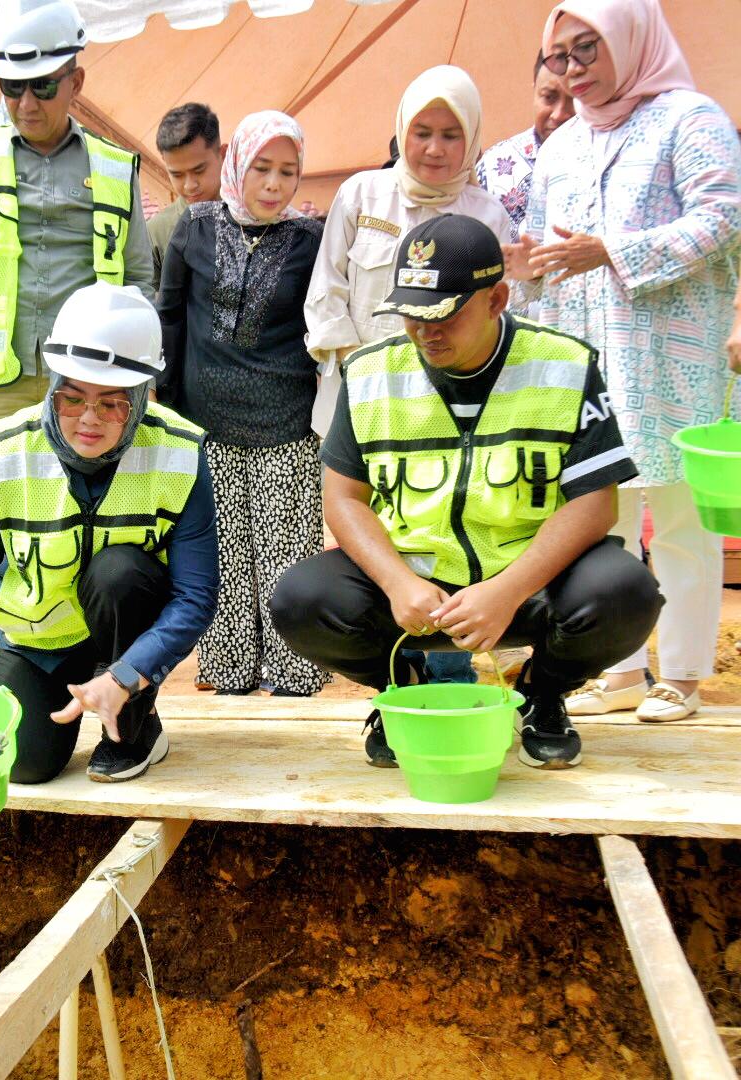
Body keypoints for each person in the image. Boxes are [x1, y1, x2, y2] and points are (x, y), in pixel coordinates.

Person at [272, 215, 663, 770]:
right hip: (417, 594)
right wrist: (398, 581)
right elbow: (343, 499)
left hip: (529, 586)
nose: (425, 332)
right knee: (301, 599)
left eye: (445, 315)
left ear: (497, 298)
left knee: (627, 592)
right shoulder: (369, 373)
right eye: (411, 314)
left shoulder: (565, 365)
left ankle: (542, 695)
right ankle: (403, 691)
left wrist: (505, 592)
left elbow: (596, 503)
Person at [508, 0, 741, 722]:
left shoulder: (690, 118)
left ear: (631, 40)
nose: (572, 70)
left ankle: (686, 674)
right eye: (559, 57)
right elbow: (549, 250)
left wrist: (613, 250)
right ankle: (620, 670)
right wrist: (525, 272)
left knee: (678, 521)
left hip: (670, 358)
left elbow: (723, 215)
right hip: (588, 362)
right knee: (599, 520)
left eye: (587, 50)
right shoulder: (561, 146)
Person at [0, 283, 217, 784]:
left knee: (120, 571)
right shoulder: (7, 450)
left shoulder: (180, 452)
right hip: (41, 640)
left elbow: (195, 596)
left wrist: (124, 675)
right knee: (25, 765)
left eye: (112, 404)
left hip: (126, 630)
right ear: (53, 386)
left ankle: (134, 727)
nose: (89, 420)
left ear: (142, 397)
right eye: (72, 399)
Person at [305, 64, 518, 689]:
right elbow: (326, 296)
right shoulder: (360, 196)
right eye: (421, 131)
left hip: (454, 418)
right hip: (360, 410)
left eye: (451, 134)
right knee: (367, 554)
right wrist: (366, 381)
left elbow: (499, 317)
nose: (433, 148)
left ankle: (447, 686)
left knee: (441, 544)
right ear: (400, 131)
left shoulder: (487, 215)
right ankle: (394, 690)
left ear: (473, 139)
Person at [0, 0, 154, 454]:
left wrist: (138, 373)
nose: (26, 104)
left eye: (43, 86)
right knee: (0, 509)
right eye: (12, 87)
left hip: (89, 380)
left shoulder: (114, 167)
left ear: (76, 82)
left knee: (86, 510)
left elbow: (139, 282)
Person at [156, 111, 327, 698]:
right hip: (209, 424)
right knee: (222, 554)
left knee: (286, 552)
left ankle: (295, 668)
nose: (275, 184)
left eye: (289, 171)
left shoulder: (311, 239)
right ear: (238, 164)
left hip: (286, 422)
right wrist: (169, 406)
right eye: (263, 168)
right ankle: (228, 670)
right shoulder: (193, 229)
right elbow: (171, 317)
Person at [476, 53, 576, 231]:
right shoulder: (493, 167)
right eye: (549, 97)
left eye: (575, 99)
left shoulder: (609, 168)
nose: (560, 114)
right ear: (534, 91)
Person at [147, 103, 224, 282]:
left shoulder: (256, 218)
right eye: (177, 174)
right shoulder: (156, 233)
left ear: (223, 154)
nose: (189, 185)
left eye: (199, 170)